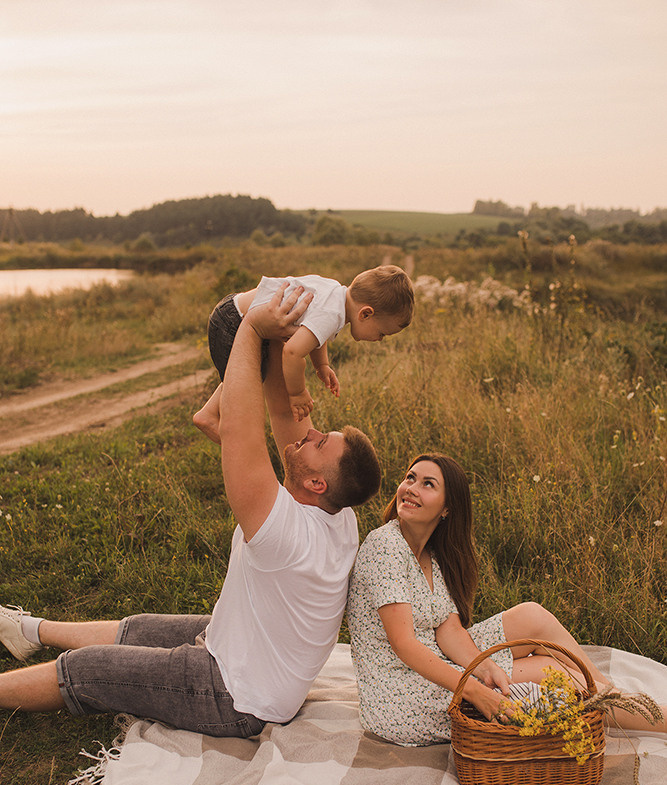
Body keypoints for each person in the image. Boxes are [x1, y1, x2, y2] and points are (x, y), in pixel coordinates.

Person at [0, 284, 382, 737]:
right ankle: (25, 631)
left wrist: (252, 329)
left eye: (319, 441)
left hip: (235, 697)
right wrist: (286, 338)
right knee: (139, 629)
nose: (309, 432)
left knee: (85, 668)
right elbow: (282, 406)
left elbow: (240, 421)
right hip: (250, 656)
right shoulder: (337, 510)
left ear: (317, 482)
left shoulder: (282, 527)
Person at [346, 453, 667, 746]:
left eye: (427, 484)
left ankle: (614, 699)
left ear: (447, 509)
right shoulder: (385, 545)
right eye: (410, 478)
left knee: (532, 616)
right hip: (399, 693)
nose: (411, 488)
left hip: (433, 661)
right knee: (556, 673)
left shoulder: (430, 554)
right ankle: (640, 712)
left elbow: (447, 629)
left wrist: (485, 668)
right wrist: (474, 689)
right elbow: (404, 645)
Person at [193, 264, 414, 441]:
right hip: (233, 323)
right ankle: (213, 417)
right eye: (382, 333)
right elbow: (292, 353)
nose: (379, 340)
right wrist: (297, 394)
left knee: (253, 374)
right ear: (365, 314)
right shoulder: (331, 313)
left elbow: (315, 335)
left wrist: (322, 365)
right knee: (246, 385)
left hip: (234, 308)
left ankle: (211, 414)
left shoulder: (336, 296)